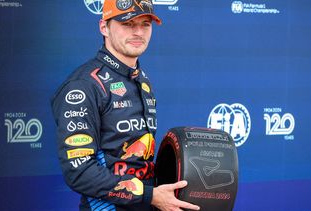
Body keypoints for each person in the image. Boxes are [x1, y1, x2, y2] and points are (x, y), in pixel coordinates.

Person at [51, 0, 200, 210]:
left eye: (145, 24)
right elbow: (80, 171)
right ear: (104, 27)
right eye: (128, 24)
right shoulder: (83, 86)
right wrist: (149, 196)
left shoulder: (141, 79)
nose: (138, 32)